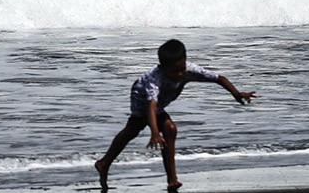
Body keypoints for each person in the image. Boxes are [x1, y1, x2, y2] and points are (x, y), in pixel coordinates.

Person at [94, 39, 256, 191]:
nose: (179, 74)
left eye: (182, 68)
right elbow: (151, 105)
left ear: (185, 60)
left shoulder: (188, 70)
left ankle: (106, 163)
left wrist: (236, 93)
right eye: (174, 71)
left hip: (159, 102)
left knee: (149, 129)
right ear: (163, 68)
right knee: (146, 128)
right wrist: (155, 132)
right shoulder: (154, 80)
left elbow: (218, 78)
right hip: (141, 96)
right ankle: (108, 163)